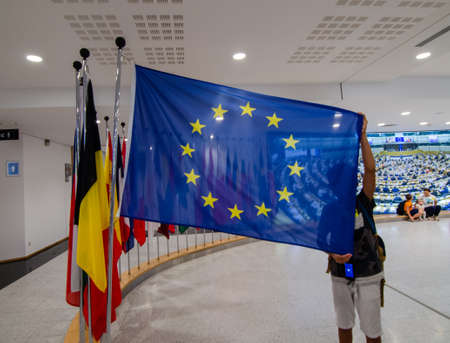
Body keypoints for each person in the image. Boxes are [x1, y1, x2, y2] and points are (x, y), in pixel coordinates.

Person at [328, 114, 384, 343]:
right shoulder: (329, 209)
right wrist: (333, 255)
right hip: (341, 273)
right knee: (344, 323)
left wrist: (363, 138)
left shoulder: (363, 201)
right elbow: (322, 239)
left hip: (369, 270)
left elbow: (370, 171)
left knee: (372, 327)